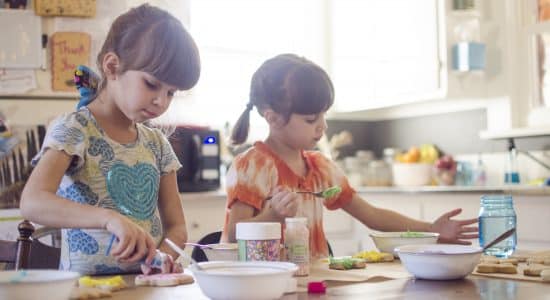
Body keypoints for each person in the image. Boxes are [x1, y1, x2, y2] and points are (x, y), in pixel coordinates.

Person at [221, 54, 478, 259]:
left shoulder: (319, 168)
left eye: (323, 115)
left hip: (313, 285)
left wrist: (430, 229)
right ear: (272, 117)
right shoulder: (252, 166)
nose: (322, 126)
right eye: (311, 119)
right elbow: (233, 236)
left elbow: (372, 215)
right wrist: (273, 216)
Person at [20, 4, 200, 275]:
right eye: (151, 84)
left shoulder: (158, 145)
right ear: (113, 67)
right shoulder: (75, 129)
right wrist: (108, 219)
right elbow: (33, 201)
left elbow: (177, 228)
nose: (161, 101)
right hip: (83, 291)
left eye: (171, 92)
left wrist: (161, 257)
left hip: (143, 290)